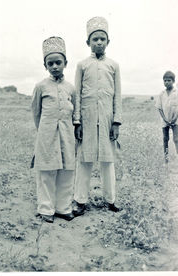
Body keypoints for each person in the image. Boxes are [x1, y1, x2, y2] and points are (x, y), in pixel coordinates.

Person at [73, 16, 122, 216]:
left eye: (103, 39)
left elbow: (117, 95)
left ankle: (110, 200)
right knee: (84, 160)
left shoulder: (114, 65)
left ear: (108, 42)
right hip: (87, 118)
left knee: (107, 161)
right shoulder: (82, 65)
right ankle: (80, 201)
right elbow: (77, 94)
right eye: (95, 39)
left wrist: (116, 121)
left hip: (108, 119)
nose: (99, 42)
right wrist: (77, 121)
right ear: (88, 42)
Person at [31, 36, 76, 223]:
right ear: (45, 66)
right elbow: (36, 113)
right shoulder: (41, 87)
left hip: (67, 134)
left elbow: (75, 111)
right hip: (46, 134)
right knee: (47, 171)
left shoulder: (71, 88)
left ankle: (63, 208)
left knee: (66, 170)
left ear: (65, 63)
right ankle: (46, 209)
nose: (55, 66)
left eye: (58, 62)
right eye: (51, 63)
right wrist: (44, 131)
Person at [155, 71, 178, 163]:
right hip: (165, 120)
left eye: (169, 80)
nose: (166, 82)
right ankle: (166, 159)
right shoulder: (161, 93)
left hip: (175, 118)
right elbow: (159, 108)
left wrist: (176, 117)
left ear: (173, 81)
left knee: (176, 139)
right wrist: (164, 119)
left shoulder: (177, 92)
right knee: (165, 139)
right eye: (165, 80)